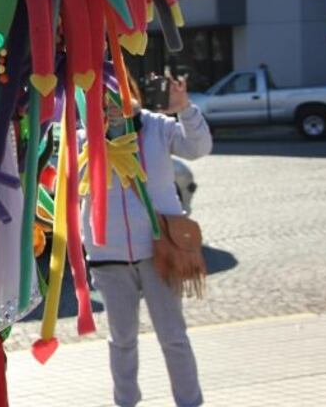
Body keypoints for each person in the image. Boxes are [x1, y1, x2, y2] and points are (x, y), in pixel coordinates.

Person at [81, 71, 212, 407]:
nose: (110, 103)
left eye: (115, 94)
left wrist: (185, 109)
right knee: (122, 340)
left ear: (130, 92)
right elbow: (69, 183)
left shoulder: (156, 127)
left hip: (160, 250)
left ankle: (190, 402)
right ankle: (125, 402)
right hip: (107, 254)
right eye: (101, 97)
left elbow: (198, 147)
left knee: (173, 336)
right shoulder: (83, 137)